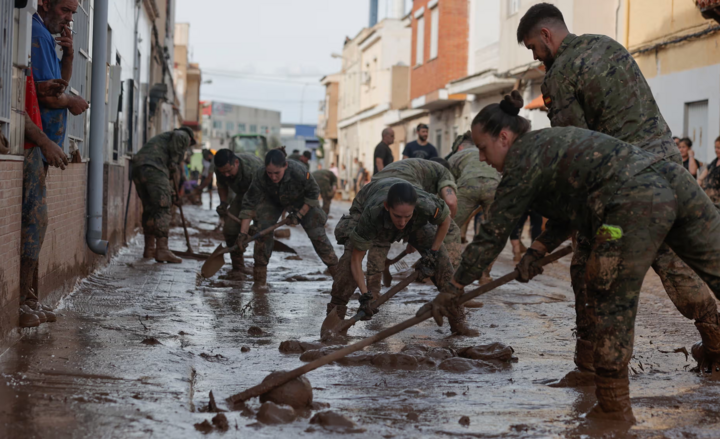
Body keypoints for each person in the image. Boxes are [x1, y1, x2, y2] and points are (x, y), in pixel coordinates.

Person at [425, 93, 720, 422]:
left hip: (630, 210)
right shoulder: (548, 145)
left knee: (606, 291)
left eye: (482, 148)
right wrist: (539, 249)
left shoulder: (522, 159)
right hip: (671, 183)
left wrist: (453, 287)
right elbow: (574, 208)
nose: (482, 158)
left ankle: (611, 406)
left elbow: (494, 232)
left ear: (504, 137)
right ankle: (717, 350)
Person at [518, 2, 718, 382]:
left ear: (546, 34)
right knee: (673, 260)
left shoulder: (560, 76)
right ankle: (716, 340)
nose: (535, 56)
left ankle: (592, 367)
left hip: (623, 191)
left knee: (587, 267)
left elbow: (575, 161)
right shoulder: (609, 45)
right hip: (669, 173)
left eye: (533, 47)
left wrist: (545, 241)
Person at [328, 179, 477, 336]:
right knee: (347, 265)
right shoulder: (372, 213)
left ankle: (458, 320)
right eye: (397, 216)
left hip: (417, 222)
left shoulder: (426, 204)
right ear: (387, 207)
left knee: (442, 261)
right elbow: (356, 260)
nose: (402, 222)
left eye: (407, 216)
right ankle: (335, 317)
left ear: (415, 208)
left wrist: (432, 252)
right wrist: (365, 296)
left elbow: (445, 220)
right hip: (368, 209)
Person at [238, 150, 339, 289]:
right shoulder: (260, 175)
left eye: (277, 173)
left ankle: (340, 281)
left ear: (285, 166)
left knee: (318, 236)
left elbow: (313, 193)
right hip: (273, 201)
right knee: (262, 232)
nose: (273, 177)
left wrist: (300, 214)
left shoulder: (298, 171)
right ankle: (259, 283)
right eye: (270, 173)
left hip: (303, 202)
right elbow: (249, 204)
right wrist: (243, 233)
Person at [18, 72, 70, 328]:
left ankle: (27, 295)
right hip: (24, 145)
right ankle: (18, 299)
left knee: (36, 224)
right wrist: (45, 141)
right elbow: (15, 108)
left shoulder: (36, 46)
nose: (64, 28)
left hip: (33, 147)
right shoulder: (29, 34)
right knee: (33, 222)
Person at [370, 158, 465, 271]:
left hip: (377, 187)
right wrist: (444, 226)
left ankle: (374, 277)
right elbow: (451, 202)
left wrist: (413, 238)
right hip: (404, 187)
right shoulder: (444, 172)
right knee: (451, 228)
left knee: (384, 232)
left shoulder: (419, 169)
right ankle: (450, 278)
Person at [132, 127, 195, 263]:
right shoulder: (182, 135)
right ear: (189, 139)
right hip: (153, 168)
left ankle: (149, 249)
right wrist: (174, 162)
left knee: (149, 208)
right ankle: (162, 250)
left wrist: (172, 190)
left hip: (138, 168)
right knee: (163, 207)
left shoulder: (164, 140)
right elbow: (177, 146)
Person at [211, 149, 264, 276]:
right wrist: (223, 203)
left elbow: (250, 206)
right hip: (243, 195)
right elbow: (222, 185)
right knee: (229, 229)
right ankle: (238, 267)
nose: (227, 175)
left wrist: (244, 231)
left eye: (229, 171)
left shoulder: (253, 170)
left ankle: (261, 270)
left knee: (260, 232)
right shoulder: (220, 169)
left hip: (264, 196)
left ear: (236, 162)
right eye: (223, 172)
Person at [699, 136, 720, 203]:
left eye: (719, 148)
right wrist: (699, 180)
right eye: (715, 148)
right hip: (709, 201)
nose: (716, 150)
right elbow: (707, 170)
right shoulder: (715, 161)